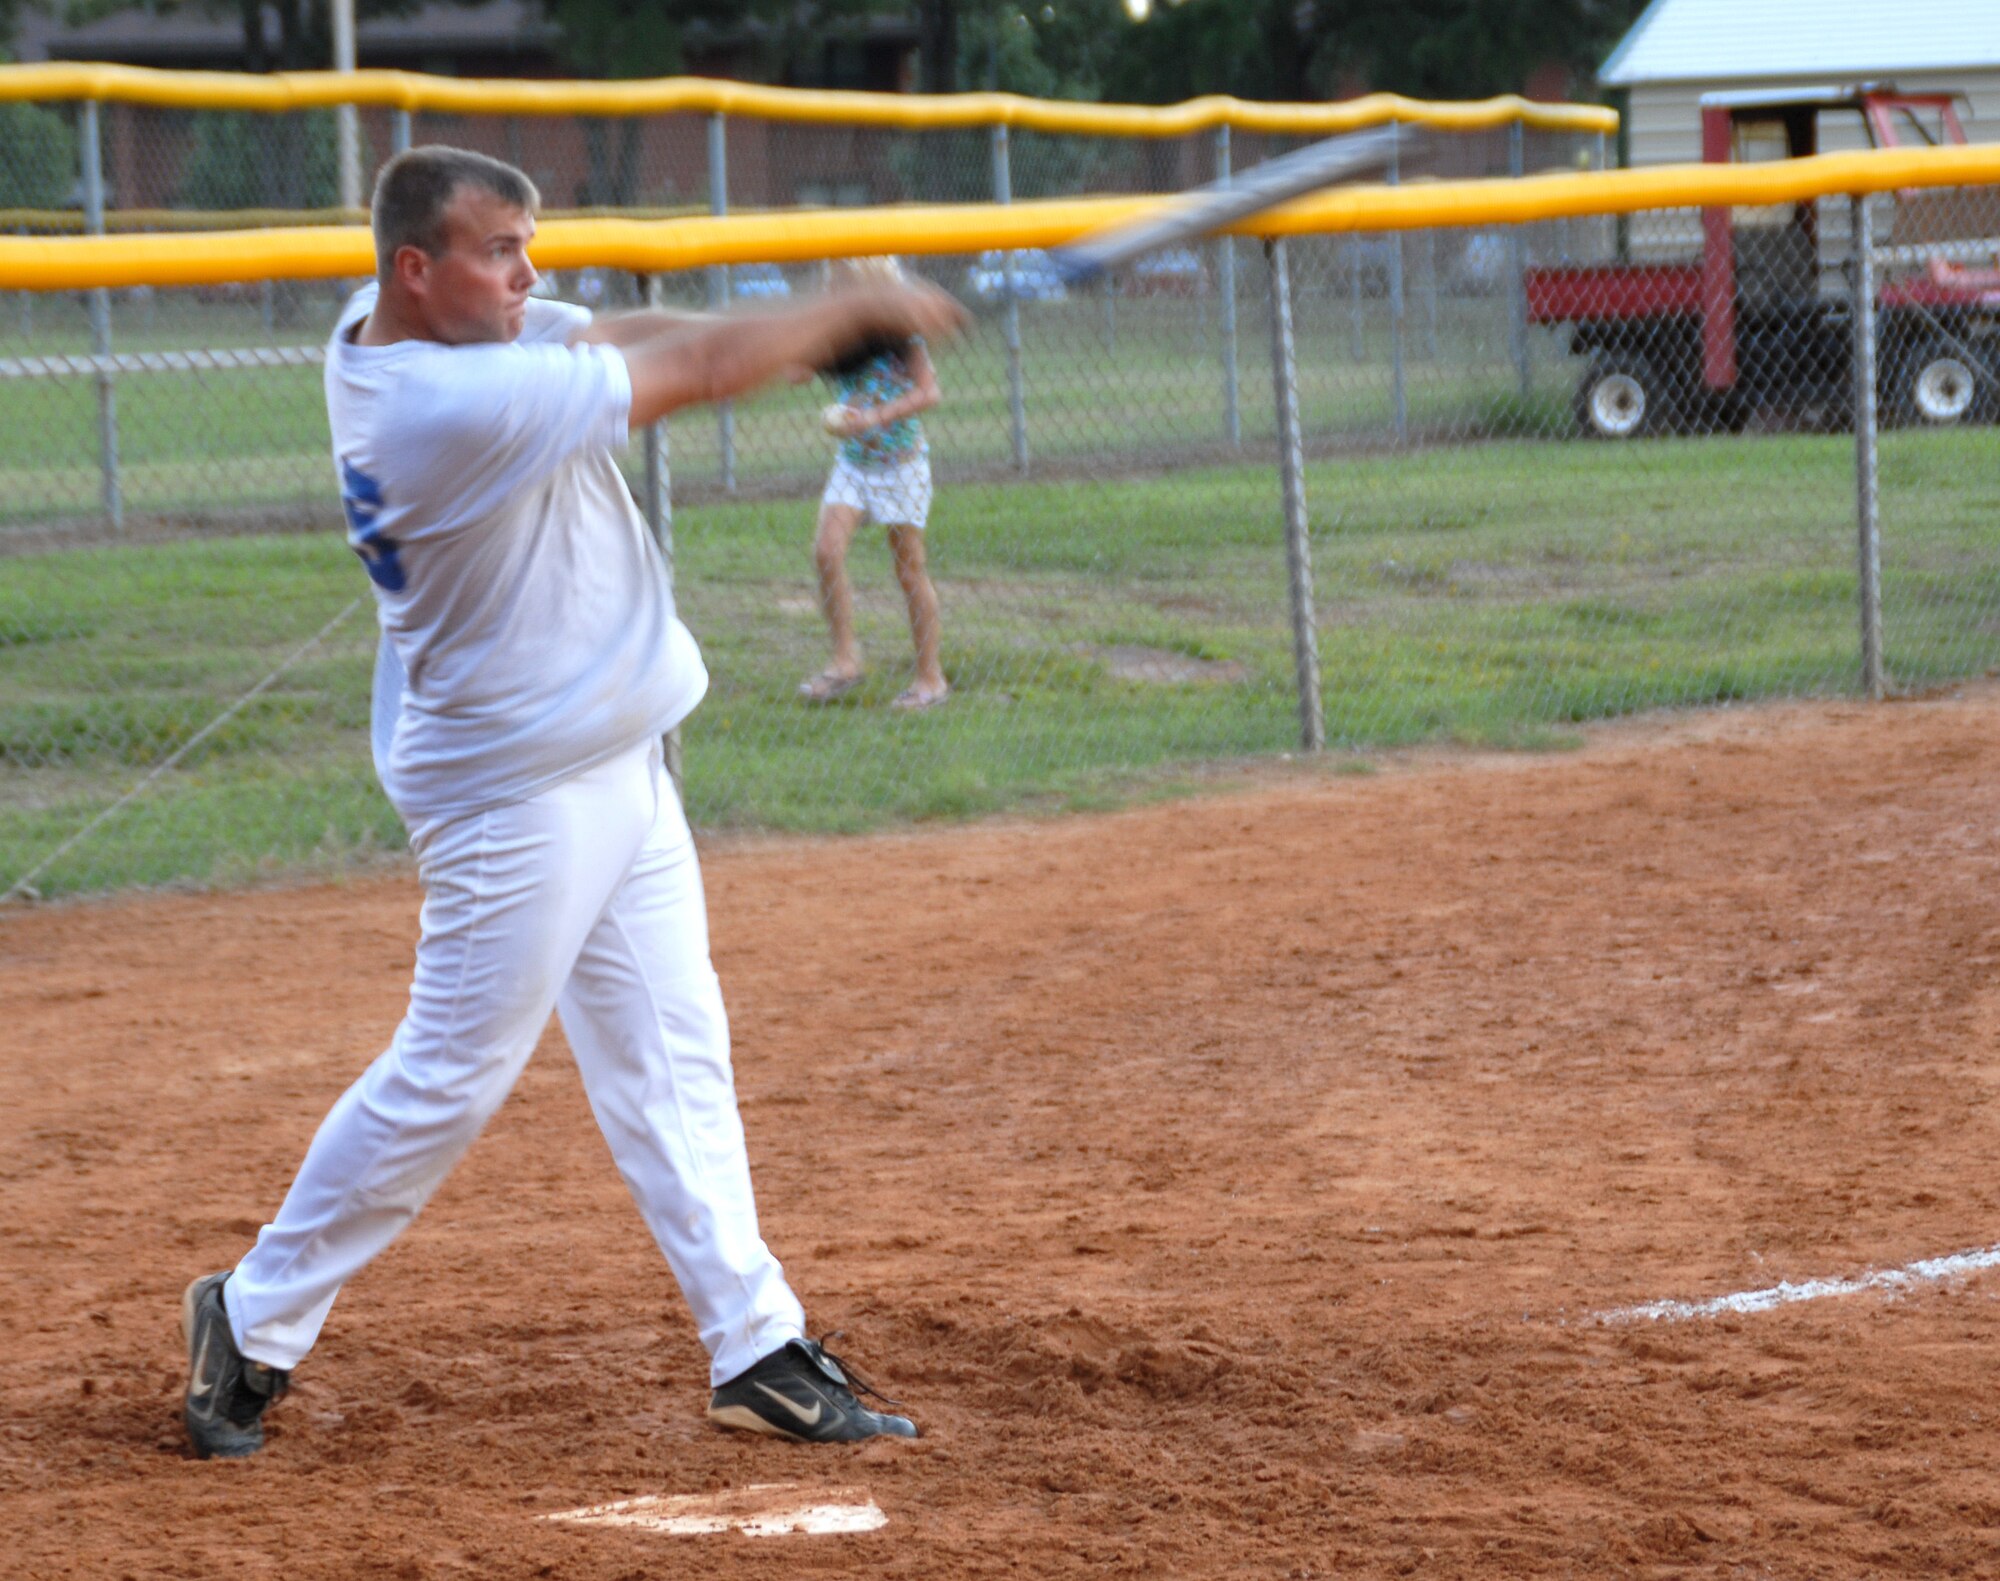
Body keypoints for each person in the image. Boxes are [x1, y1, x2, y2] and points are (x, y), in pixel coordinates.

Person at [178, 146, 966, 1460]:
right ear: (415, 270)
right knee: (446, 1081)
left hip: (615, 758)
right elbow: (695, 372)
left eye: (528, 245)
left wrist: (822, 335)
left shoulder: (425, 333)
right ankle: (250, 1319)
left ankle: (755, 1342)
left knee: (675, 1058)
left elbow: (631, 334)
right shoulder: (438, 406)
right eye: (500, 250)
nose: (526, 273)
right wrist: (839, 316)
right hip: (516, 795)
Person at [798, 256, 950, 712]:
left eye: (847, 284)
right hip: (854, 463)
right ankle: (845, 661)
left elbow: (929, 392)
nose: (838, 292)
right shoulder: (839, 336)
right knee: (826, 550)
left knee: (909, 571)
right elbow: (795, 373)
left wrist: (874, 417)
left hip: (900, 464)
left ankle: (931, 679)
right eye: (835, 285)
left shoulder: (901, 334)